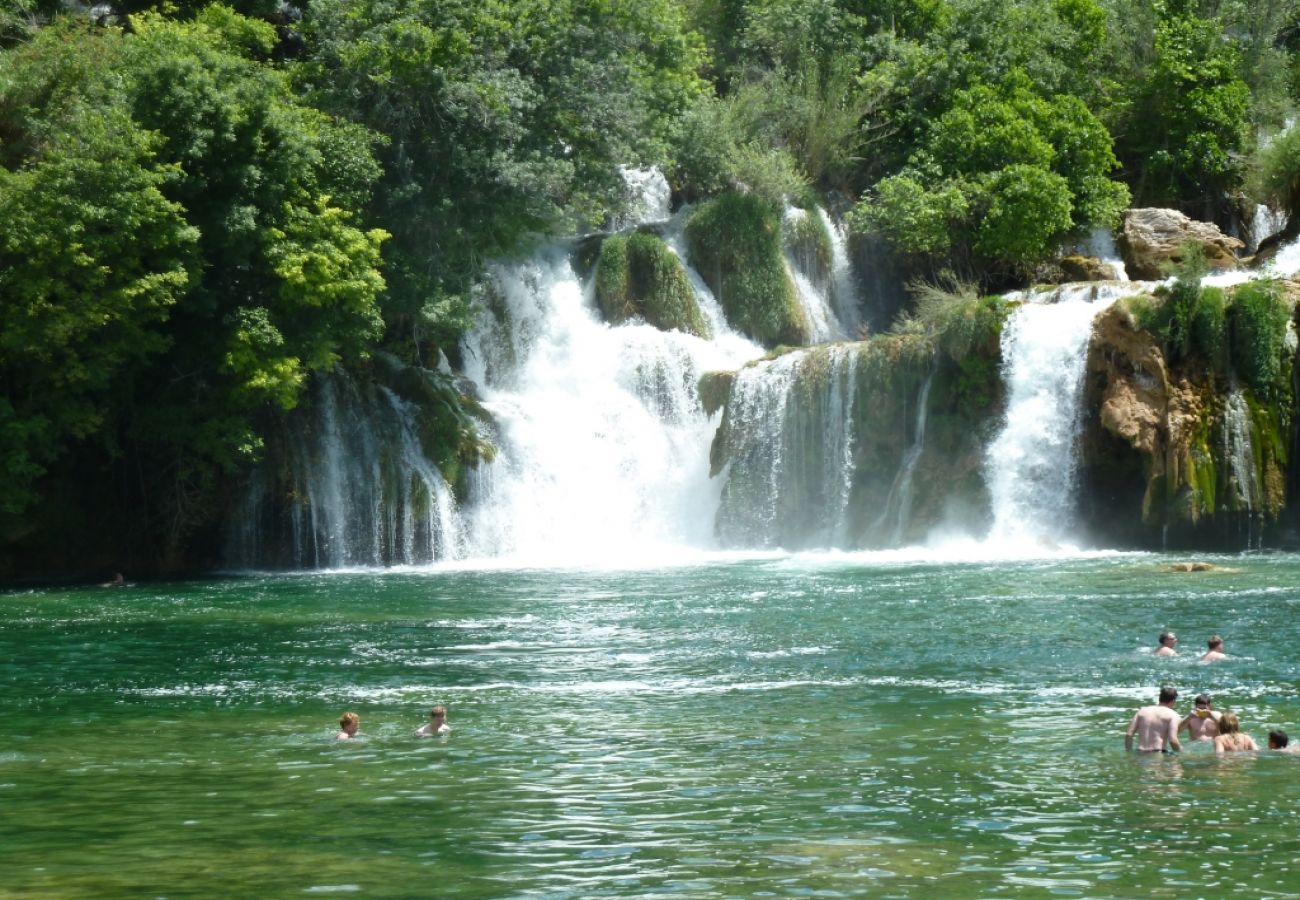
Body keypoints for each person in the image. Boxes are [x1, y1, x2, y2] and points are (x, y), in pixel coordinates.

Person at [1126, 686, 1183, 753]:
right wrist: (1182, 752)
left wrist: (1129, 752)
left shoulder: (1142, 711)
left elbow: (1129, 734)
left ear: (1160, 698)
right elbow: (1172, 740)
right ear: (1173, 701)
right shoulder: (1173, 715)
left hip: (1139, 752)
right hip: (1157, 753)